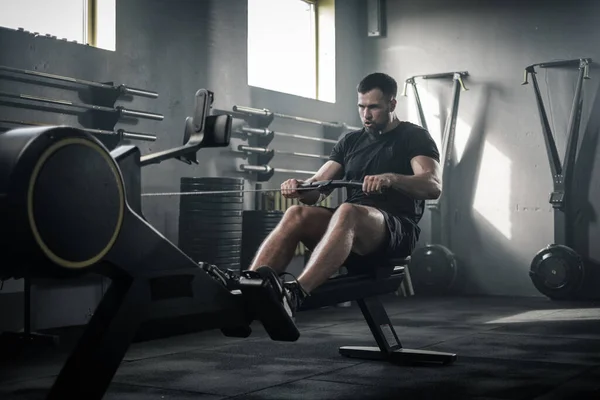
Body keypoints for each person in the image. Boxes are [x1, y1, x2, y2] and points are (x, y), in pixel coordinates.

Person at [247, 72, 442, 318]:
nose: (366, 115)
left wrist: (391, 178)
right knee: (297, 213)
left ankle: (297, 293)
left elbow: (432, 185)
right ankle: (251, 287)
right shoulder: (350, 141)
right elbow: (316, 189)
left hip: (396, 231)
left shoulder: (413, 136)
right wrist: (300, 187)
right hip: (350, 230)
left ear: (392, 104)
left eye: (374, 107)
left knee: (348, 210)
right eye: (361, 107)